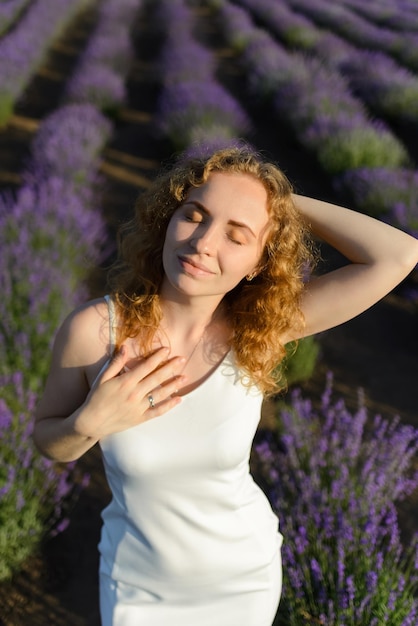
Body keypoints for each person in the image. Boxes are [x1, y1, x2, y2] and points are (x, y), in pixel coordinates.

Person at [33, 145, 418, 626]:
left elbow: (399, 254)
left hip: (242, 580)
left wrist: (274, 201)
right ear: (168, 219)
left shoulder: (260, 331)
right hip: (138, 586)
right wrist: (87, 422)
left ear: (260, 260)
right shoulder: (96, 332)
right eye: (195, 215)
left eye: (237, 235)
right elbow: (50, 442)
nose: (203, 243)